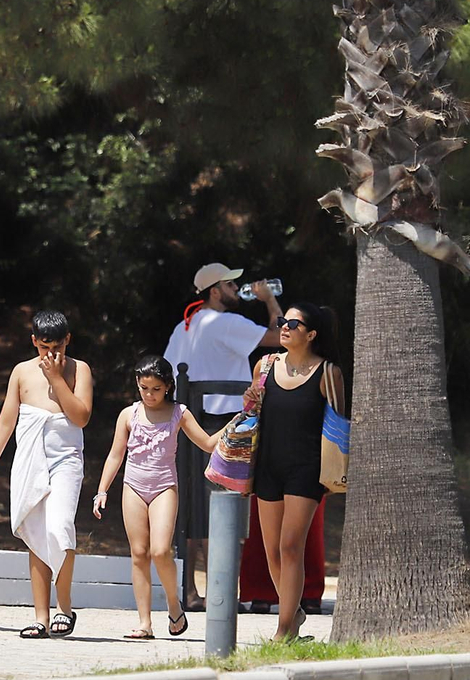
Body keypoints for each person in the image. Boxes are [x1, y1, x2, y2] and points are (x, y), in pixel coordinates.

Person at [163, 261, 283, 609]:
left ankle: (190, 591)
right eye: (230, 285)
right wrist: (269, 299)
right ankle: (222, 594)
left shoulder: (184, 326)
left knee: (191, 507)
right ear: (215, 291)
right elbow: (281, 337)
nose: (236, 290)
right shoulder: (226, 322)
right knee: (223, 503)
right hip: (223, 424)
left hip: (186, 421)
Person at [0, 310, 93, 639]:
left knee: (60, 527)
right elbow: (6, 420)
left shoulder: (79, 369)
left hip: (65, 460)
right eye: (44, 348)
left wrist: (57, 379)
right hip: (30, 459)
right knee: (35, 532)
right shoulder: (21, 372)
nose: (51, 354)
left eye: (57, 347)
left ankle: (64, 607)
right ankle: (41, 617)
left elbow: (81, 417)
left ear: (67, 340)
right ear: (34, 342)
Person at [92, 355, 219, 640]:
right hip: (133, 485)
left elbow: (208, 444)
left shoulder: (179, 413)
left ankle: (174, 605)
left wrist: (237, 422)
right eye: (144, 388)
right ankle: (144, 622)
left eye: (156, 389)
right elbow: (115, 455)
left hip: (164, 486)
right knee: (139, 553)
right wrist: (102, 490)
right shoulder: (129, 414)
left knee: (160, 551)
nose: (149, 395)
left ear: (168, 387)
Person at [245, 303, 344, 642]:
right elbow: (253, 411)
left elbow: (338, 425)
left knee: (290, 547)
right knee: (272, 551)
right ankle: (294, 611)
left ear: (311, 334)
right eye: (282, 321)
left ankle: (284, 629)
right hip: (268, 465)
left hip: (306, 469)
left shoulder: (328, 372)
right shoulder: (265, 365)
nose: (283, 327)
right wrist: (249, 398)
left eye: (292, 324)